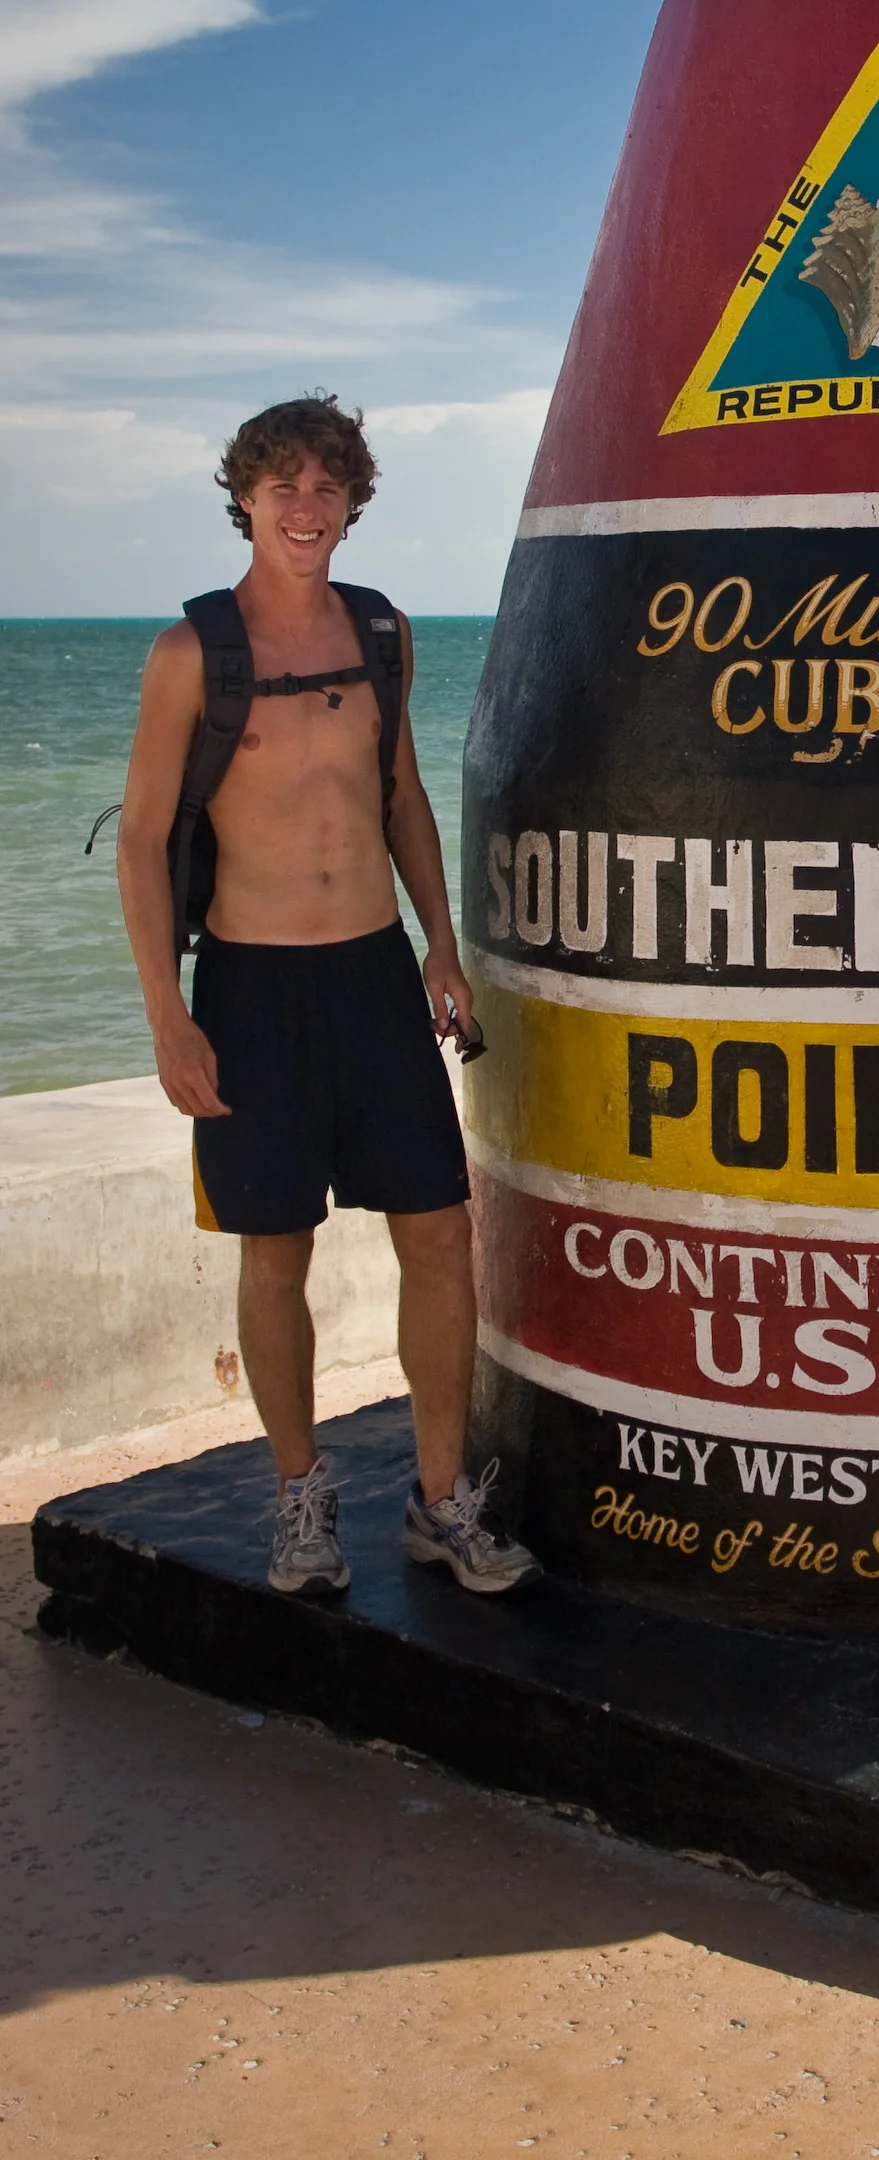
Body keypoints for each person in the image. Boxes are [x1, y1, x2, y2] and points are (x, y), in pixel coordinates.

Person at [117, 392, 539, 1603]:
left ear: (353, 502)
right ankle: (303, 1499)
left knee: (440, 1233)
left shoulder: (382, 633)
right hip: (248, 988)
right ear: (243, 497)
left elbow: (401, 799)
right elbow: (145, 840)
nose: (306, 508)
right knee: (273, 1251)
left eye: (327, 487)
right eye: (283, 486)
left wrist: (441, 948)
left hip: (371, 976)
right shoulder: (190, 652)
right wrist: (167, 1012)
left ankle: (442, 1498)